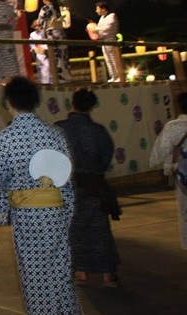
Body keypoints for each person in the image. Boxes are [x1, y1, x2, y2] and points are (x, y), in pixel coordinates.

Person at [0, 77, 80, 314]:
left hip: (26, 216)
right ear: (35, 102)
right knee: (60, 268)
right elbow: (66, 177)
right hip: (54, 212)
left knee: (34, 271)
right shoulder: (55, 135)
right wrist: (67, 210)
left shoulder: (1, 140)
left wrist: (1, 212)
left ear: (8, 103)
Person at [56, 88, 120, 286]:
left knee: (74, 229)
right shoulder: (99, 131)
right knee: (100, 229)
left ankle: (81, 271)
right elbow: (105, 158)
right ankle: (108, 274)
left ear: (72, 104)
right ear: (92, 107)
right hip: (94, 185)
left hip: (68, 185)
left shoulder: (59, 129)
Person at [149, 90, 187, 250]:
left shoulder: (173, 127)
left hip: (182, 173)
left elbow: (161, 150)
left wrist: (154, 162)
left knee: (184, 209)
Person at [38, 0, 71, 82]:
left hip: (51, 35)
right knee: (63, 56)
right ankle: (66, 76)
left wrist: (43, 34)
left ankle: (58, 78)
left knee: (55, 57)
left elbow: (40, 22)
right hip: (61, 34)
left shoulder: (45, 9)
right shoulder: (59, 9)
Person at [95, 1, 120, 82]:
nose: (96, 10)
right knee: (108, 60)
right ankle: (113, 76)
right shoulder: (101, 18)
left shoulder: (112, 16)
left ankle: (119, 76)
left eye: (97, 9)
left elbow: (107, 28)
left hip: (111, 40)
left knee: (113, 58)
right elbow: (99, 30)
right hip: (103, 41)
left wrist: (95, 29)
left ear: (103, 9)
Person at [28, 18, 51, 84]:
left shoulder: (46, 33)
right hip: (39, 55)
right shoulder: (32, 35)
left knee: (48, 70)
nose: (37, 27)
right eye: (35, 26)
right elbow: (32, 47)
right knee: (41, 72)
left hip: (48, 53)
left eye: (38, 25)